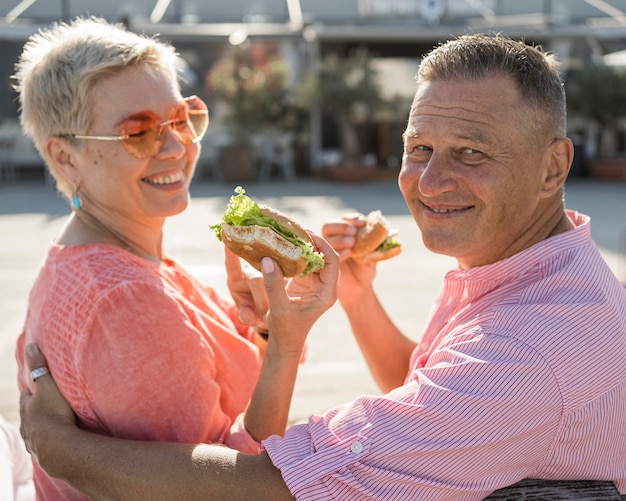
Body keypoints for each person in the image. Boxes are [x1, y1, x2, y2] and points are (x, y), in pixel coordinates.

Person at [19, 33, 626, 500]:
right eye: (418, 148)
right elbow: (442, 409)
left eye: (472, 152)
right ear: (63, 157)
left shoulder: (528, 350)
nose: (431, 181)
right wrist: (356, 299)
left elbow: (271, 487)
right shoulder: (541, 274)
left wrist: (57, 448)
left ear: (553, 167)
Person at [12, 16, 338, 500]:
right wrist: (286, 349)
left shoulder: (105, 257)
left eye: (183, 118)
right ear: (65, 157)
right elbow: (232, 484)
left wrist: (270, 331)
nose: (176, 145)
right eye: (138, 131)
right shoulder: (126, 301)